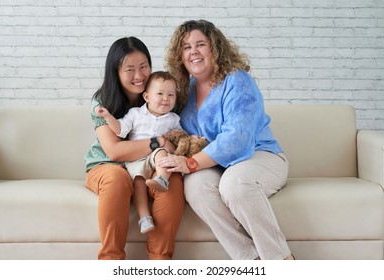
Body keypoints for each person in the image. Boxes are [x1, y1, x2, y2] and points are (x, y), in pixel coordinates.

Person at [161, 19, 294, 260]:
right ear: (180, 56)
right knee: (196, 187)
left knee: (235, 183)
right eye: (186, 47)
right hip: (216, 165)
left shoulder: (237, 80)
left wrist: (190, 163)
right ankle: (251, 261)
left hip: (259, 155)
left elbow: (237, 140)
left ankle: (282, 262)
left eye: (201, 44)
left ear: (215, 48)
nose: (194, 52)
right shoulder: (185, 89)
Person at [84, 37, 185, 260]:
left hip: (148, 166)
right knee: (117, 178)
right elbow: (115, 151)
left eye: (143, 67)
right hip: (107, 166)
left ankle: (160, 262)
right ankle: (111, 262)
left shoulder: (160, 95)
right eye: (130, 69)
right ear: (115, 71)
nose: (139, 76)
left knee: (172, 181)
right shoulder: (102, 102)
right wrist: (157, 142)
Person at [94, 71, 182, 234]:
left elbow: (180, 139)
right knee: (138, 183)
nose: (166, 98)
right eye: (160, 94)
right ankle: (144, 218)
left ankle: (162, 179)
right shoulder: (135, 114)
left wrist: (192, 139)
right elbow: (120, 130)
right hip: (137, 159)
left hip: (157, 159)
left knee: (161, 153)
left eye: (171, 95)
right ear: (147, 97)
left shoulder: (173, 119)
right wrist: (107, 116)